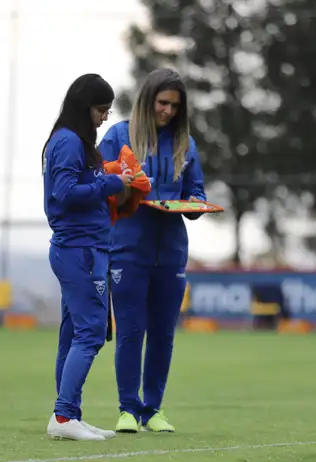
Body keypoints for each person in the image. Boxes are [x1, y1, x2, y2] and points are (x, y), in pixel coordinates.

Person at [98, 68, 207, 433]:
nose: (168, 112)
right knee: (130, 330)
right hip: (127, 248)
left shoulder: (185, 144)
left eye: (175, 106)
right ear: (147, 100)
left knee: (163, 333)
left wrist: (194, 204)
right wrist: (124, 190)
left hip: (171, 251)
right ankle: (127, 409)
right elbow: (99, 186)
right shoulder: (118, 135)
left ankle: (153, 409)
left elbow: (197, 193)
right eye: (163, 103)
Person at [43, 73, 134, 441]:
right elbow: (64, 192)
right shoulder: (68, 142)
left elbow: (81, 185)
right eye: (101, 110)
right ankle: (64, 417)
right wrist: (111, 183)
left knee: (73, 335)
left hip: (85, 248)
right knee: (91, 333)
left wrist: (108, 177)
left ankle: (69, 415)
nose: (103, 118)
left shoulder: (74, 142)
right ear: (85, 107)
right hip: (80, 250)